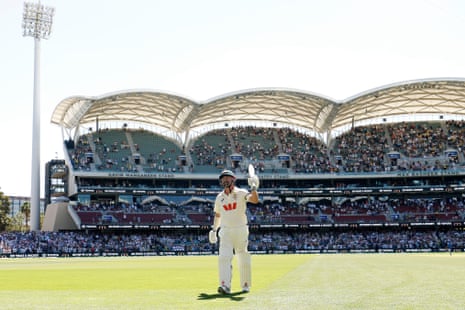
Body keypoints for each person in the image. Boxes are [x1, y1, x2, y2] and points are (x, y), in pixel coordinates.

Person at [209, 169, 259, 295]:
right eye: (223, 178)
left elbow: (254, 200)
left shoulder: (241, 193)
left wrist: (253, 187)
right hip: (225, 231)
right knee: (224, 258)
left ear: (233, 179)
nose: (225, 180)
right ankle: (225, 285)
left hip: (241, 229)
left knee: (243, 256)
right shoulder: (219, 198)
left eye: (228, 178)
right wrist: (214, 230)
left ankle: (245, 284)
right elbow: (218, 215)